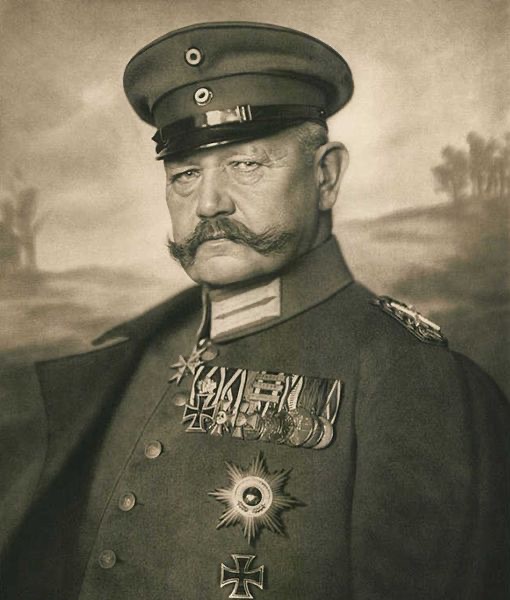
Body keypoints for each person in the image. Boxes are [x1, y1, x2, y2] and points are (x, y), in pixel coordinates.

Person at [1, 21, 509, 600]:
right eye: (185, 174)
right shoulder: (140, 349)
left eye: (246, 165)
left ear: (325, 175)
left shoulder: (414, 379)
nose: (208, 203)